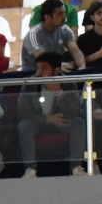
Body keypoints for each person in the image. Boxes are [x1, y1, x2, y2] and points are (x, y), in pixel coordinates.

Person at [15, 52, 81, 180]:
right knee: (24, 126)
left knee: (79, 123)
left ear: (56, 70)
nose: (39, 72)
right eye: (38, 68)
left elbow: (76, 110)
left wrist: (60, 94)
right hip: (38, 122)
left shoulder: (68, 83)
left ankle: (76, 168)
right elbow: (22, 111)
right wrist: (47, 119)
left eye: (44, 69)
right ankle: (30, 170)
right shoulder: (30, 83)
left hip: (61, 121)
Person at [20, 0, 85, 72]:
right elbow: (42, 60)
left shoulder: (65, 30)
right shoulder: (33, 35)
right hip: (32, 74)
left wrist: (82, 68)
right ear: (47, 17)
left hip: (55, 72)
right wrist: (65, 72)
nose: (64, 17)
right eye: (60, 14)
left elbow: (76, 52)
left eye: (64, 13)